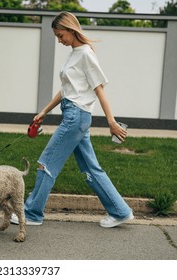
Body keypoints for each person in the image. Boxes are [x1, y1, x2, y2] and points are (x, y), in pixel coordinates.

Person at [11, 11, 134, 228]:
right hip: (74, 115)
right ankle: (120, 211)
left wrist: (111, 122)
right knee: (91, 168)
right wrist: (44, 112)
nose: (59, 40)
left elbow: (99, 90)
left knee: (46, 162)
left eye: (60, 35)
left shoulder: (86, 54)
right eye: (57, 37)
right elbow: (66, 90)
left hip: (76, 116)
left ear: (71, 29)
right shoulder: (74, 53)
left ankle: (31, 213)